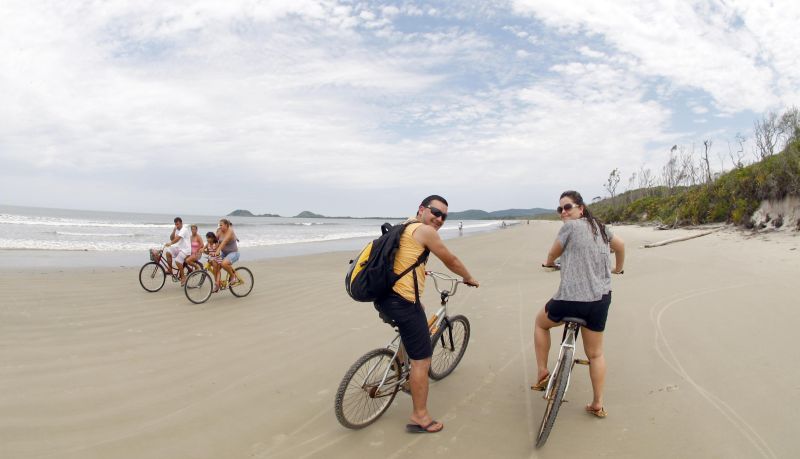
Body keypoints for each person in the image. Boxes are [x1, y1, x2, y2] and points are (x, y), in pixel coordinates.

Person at [373, 195, 479, 434]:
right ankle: (419, 416)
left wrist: (420, 267)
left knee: (416, 316)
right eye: (435, 212)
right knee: (422, 359)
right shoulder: (426, 231)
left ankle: (400, 364)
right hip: (401, 302)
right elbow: (450, 259)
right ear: (422, 209)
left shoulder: (406, 225)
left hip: (383, 297)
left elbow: (403, 255)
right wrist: (468, 278)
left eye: (444, 216)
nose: (439, 218)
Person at [533, 190, 625, 418]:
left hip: (569, 300)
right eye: (560, 209)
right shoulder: (600, 228)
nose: (563, 212)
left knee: (540, 323)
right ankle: (597, 403)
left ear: (580, 209)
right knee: (595, 354)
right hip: (599, 301)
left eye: (568, 207)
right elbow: (621, 246)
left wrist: (548, 263)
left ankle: (543, 370)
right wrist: (618, 268)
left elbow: (553, 252)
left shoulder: (570, 227)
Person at [164, 217, 192, 285]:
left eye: (178, 224)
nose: (177, 226)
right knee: (168, 252)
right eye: (175, 224)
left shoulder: (184, 229)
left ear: (181, 223)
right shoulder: (179, 231)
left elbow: (177, 239)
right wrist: (174, 230)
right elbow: (172, 238)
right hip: (179, 249)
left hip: (186, 250)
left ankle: (183, 277)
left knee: (177, 261)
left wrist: (170, 243)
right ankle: (170, 269)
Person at [214, 218, 240, 286]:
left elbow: (224, 241)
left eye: (221, 225)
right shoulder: (219, 231)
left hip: (234, 253)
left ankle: (233, 276)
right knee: (215, 266)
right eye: (219, 225)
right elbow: (214, 240)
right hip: (224, 253)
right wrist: (205, 248)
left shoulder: (230, 231)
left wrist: (218, 250)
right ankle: (218, 284)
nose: (220, 226)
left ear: (226, 225)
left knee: (224, 264)